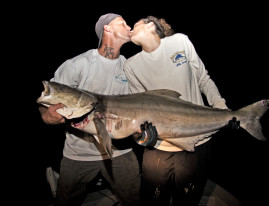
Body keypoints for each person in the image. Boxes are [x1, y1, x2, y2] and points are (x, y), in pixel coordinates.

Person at [39, 13, 142, 206]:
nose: (129, 27)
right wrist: (47, 116)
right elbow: (46, 100)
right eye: (123, 23)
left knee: (134, 199)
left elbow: (136, 109)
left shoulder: (130, 68)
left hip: (120, 151)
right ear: (107, 28)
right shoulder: (79, 64)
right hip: (78, 154)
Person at [124, 16, 229, 206]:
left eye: (136, 23)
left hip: (197, 140)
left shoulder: (180, 41)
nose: (130, 27)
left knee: (187, 200)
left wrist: (221, 107)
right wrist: (140, 136)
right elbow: (137, 107)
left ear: (150, 25)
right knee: (152, 200)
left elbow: (203, 79)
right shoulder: (131, 65)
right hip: (159, 146)